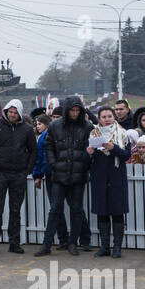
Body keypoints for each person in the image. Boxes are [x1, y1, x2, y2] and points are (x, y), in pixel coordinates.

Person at [35, 96, 91, 257]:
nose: (74, 113)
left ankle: (73, 243)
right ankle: (46, 244)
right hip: (59, 173)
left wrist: (83, 165)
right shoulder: (54, 125)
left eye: (77, 110)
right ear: (67, 110)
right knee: (55, 210)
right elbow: (49, 146)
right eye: (72, 110)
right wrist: (53, 164)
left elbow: (90, 150)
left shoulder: (87, 127)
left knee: (77, 210)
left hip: (78, 175)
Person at [0, 98, 37, 254]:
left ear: (20, 113)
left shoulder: (27, 129)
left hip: (18, 173)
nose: (12, 115)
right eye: (10, 112)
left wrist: (28, 169)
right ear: (6, 111)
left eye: (15, 112)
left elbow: (33, 150)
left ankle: (14, 242)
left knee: (15, 210)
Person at [86, 106, 130, 257]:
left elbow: (126, 156)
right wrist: (89, 153)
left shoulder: (123, 134)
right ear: (99, 119)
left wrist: (114, 148)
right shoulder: (93, 134)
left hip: (117, 178)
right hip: (99, 178)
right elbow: (87, 161)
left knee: (118, 213)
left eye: (109, 116)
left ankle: (117, 247)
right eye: (103, 117)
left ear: (114, 117)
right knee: (102, 213)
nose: (106, 119)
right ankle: (104, 247)